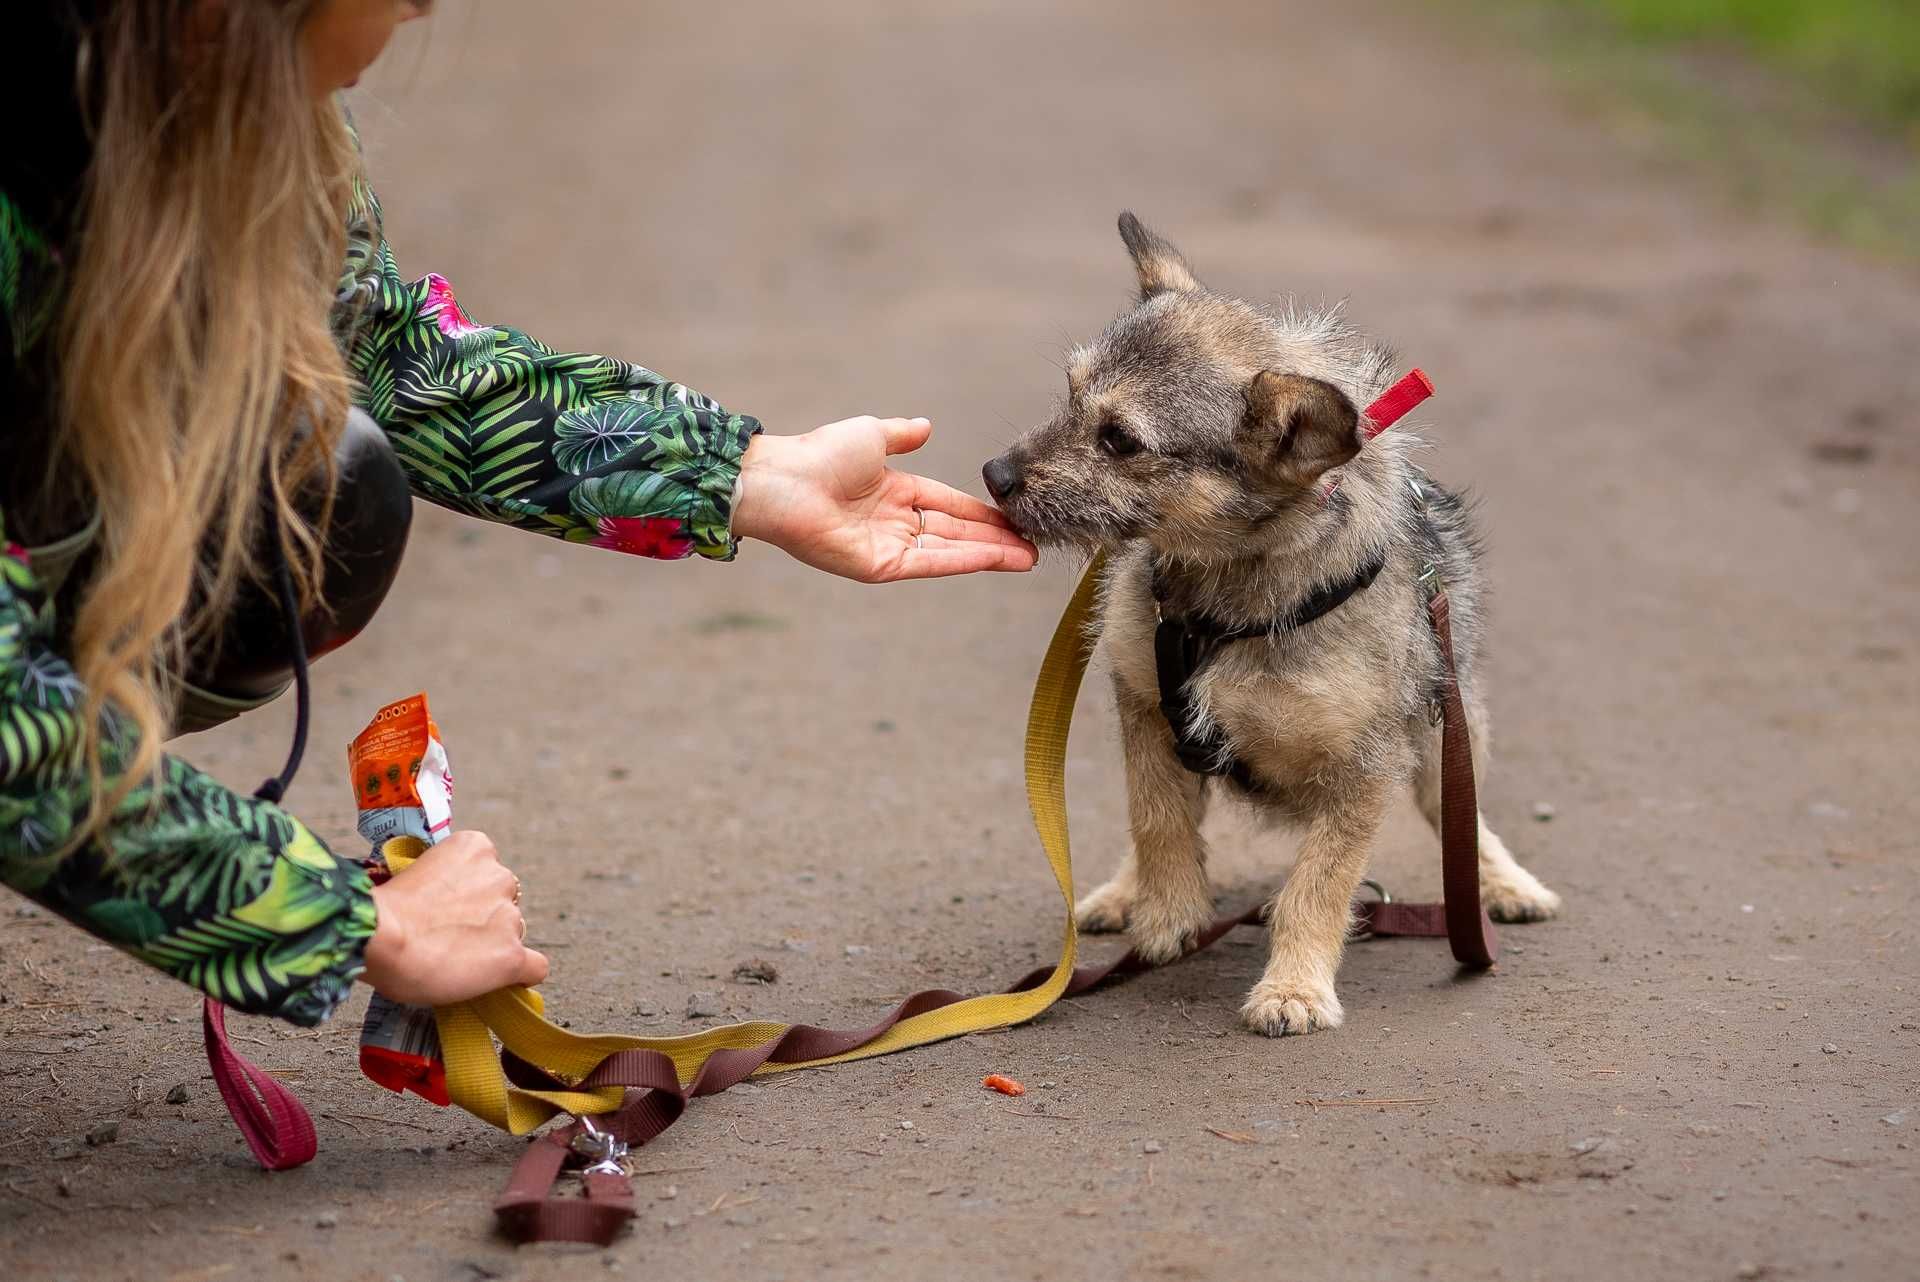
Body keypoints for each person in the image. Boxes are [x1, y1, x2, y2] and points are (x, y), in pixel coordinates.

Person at [0, 1, 1036, 1027]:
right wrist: (353, 920)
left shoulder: (228, 89)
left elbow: (386, 362)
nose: (424, 6)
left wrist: (748, 472)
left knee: (319, 489)